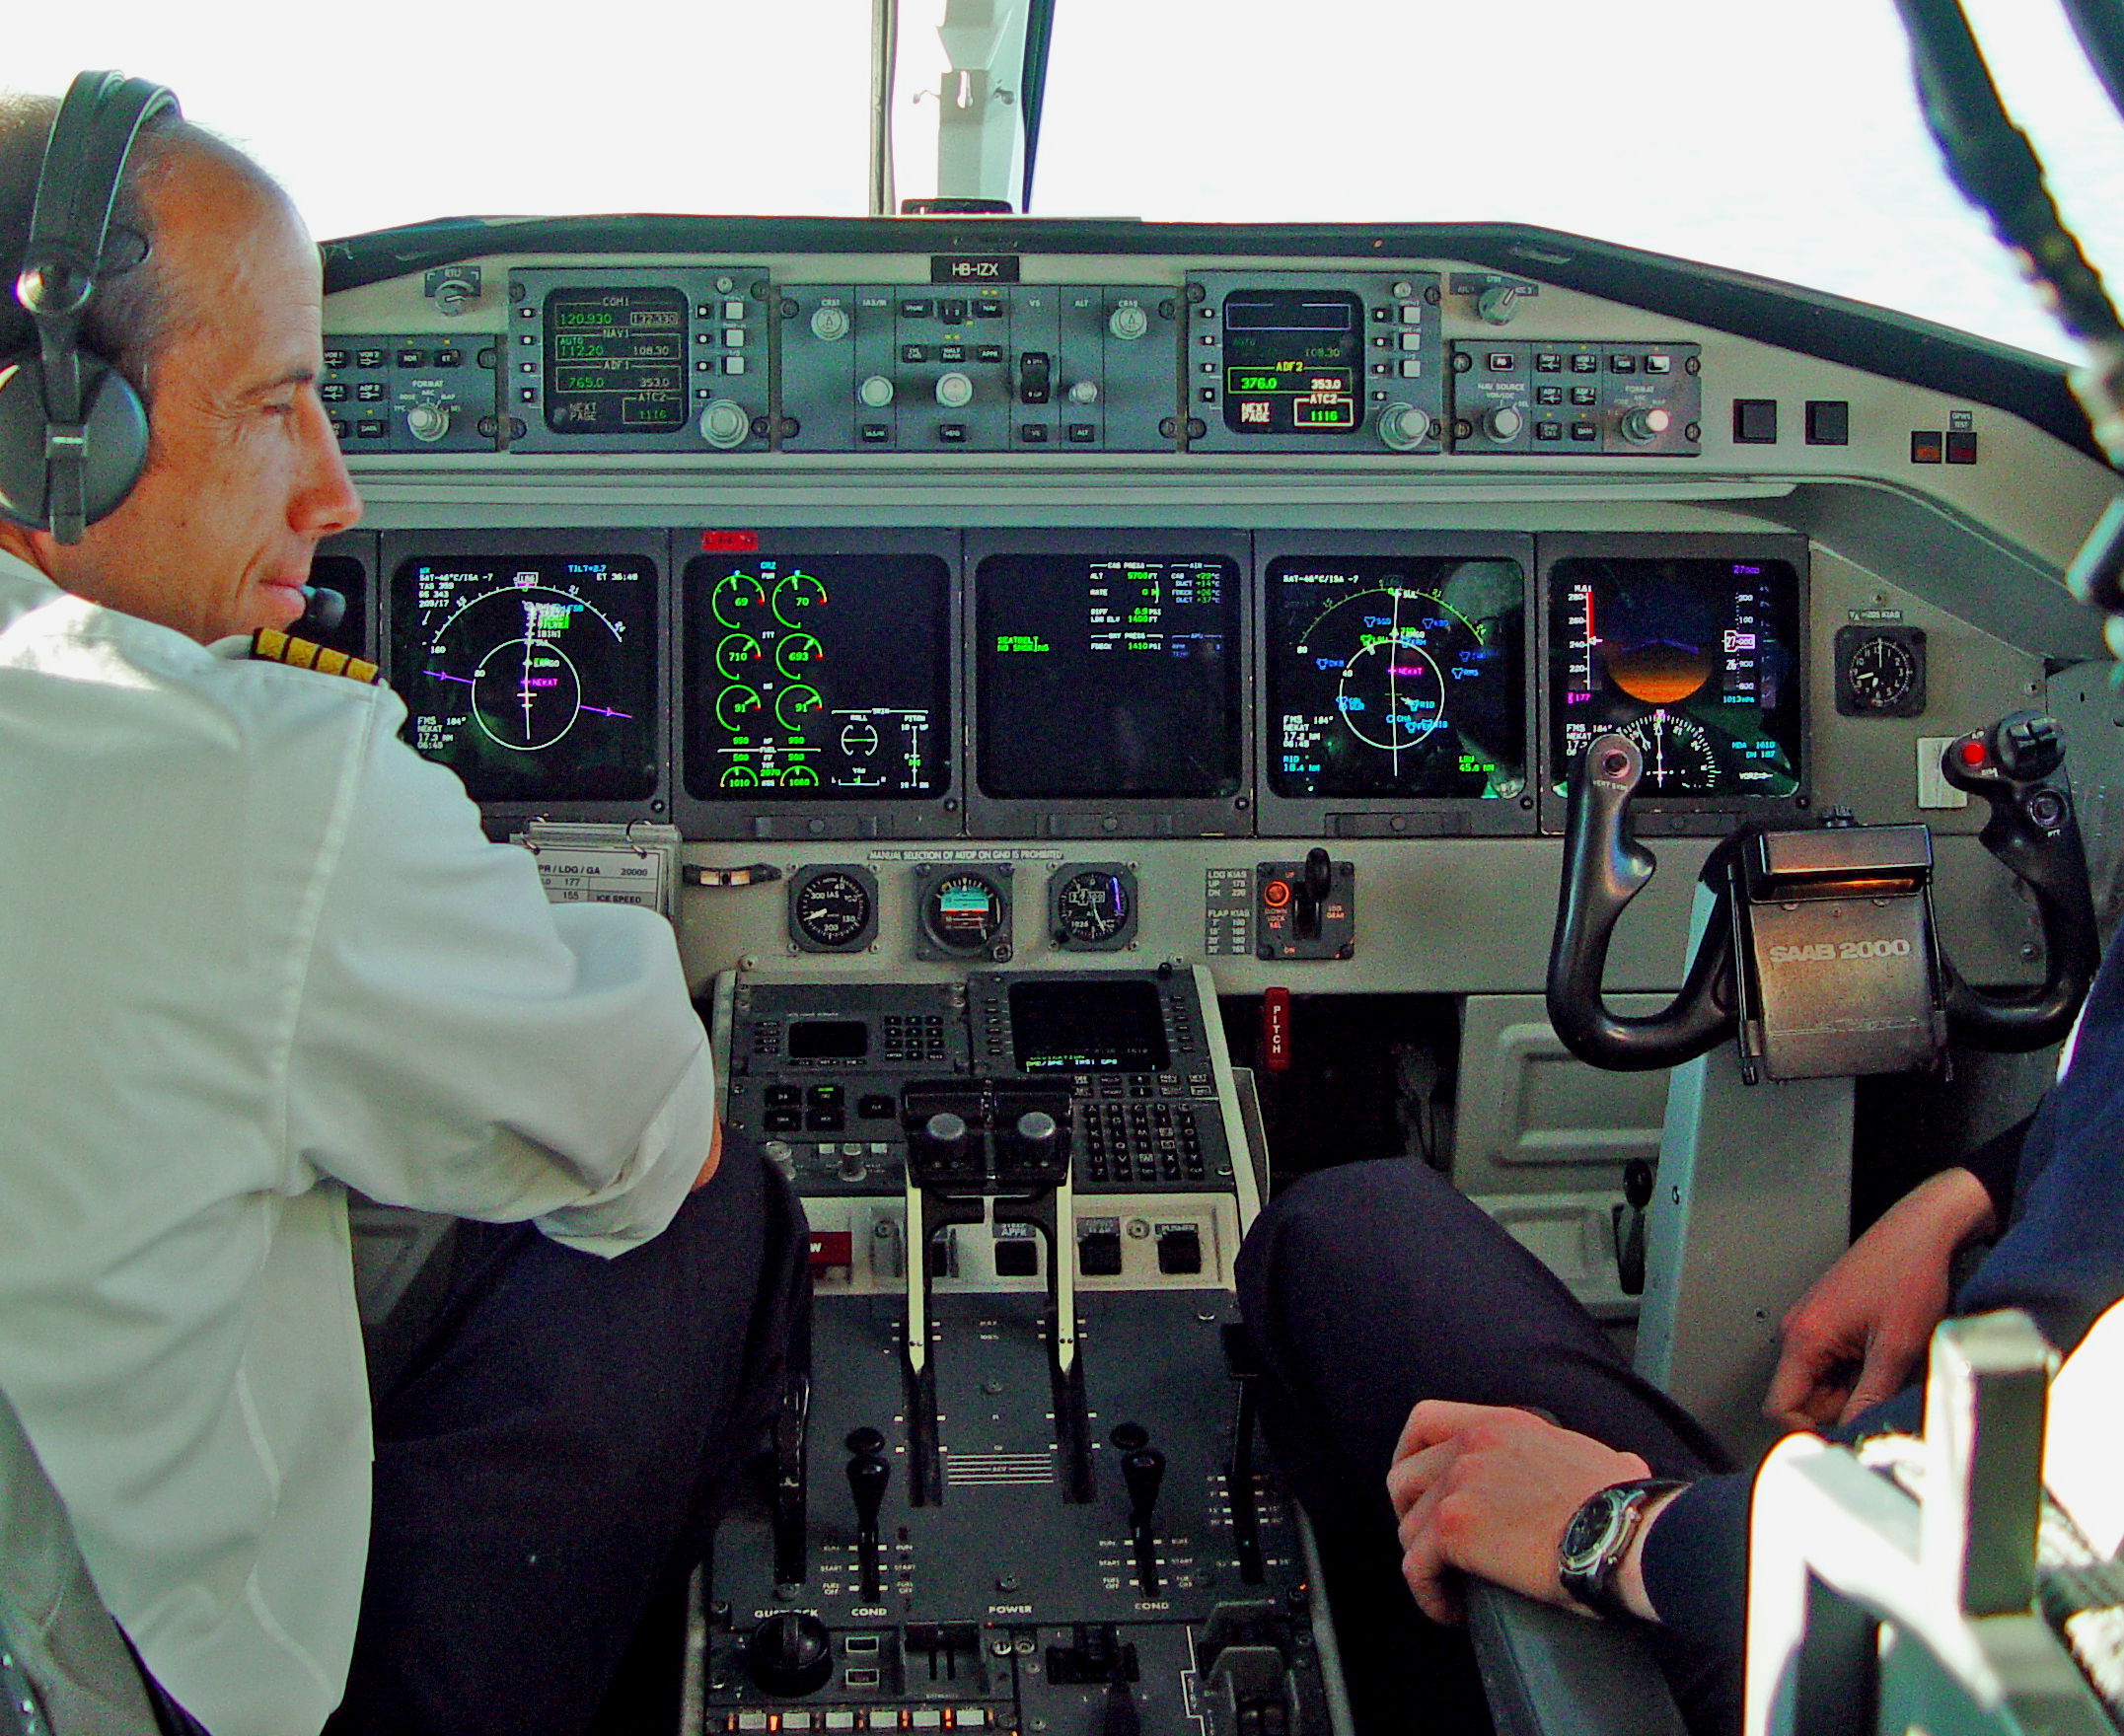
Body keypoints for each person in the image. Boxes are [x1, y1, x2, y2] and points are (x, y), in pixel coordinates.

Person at [0, 83, 806, 1736]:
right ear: (54, 435)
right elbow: (640, 1128)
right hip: (134, 1681)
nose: (336, 492)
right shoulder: (223, 778)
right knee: (714, 1209)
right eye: (279, 407)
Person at [1239, 946, 2121, 1733]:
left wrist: (1610, 1530)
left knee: (1347, 1231)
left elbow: (2000, 1550)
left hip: (1867, 1658)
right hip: (1904, 1562)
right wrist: (1967, 1194)